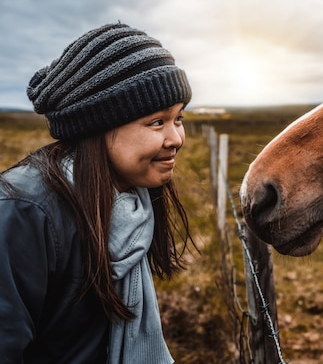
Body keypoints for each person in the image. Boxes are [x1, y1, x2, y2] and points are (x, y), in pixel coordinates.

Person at [0, 22, 194, 363]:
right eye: (157, 122)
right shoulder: (22, 214)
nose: (176, 138)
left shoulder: (132, 205)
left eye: (178, 119)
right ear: (99, 126)